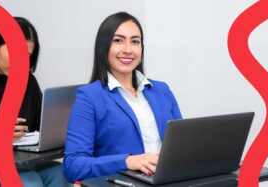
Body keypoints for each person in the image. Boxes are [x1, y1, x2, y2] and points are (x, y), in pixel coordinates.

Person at [63, 12, 182, 183]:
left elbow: (181, 146)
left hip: (170, 180)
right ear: (104, 47)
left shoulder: (162, 90)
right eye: (118, 40)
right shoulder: (89, 97)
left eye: (135, 41)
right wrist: (127, 161)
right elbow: (73, 166)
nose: (128, 50)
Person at [0, 17, 71, 187]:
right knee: (30, 182)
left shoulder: (28, 82)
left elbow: (38, 126)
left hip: (21, 160)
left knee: (61, 173)